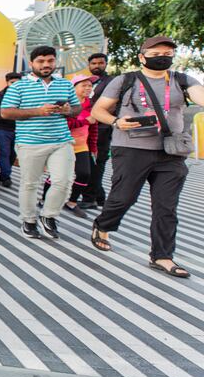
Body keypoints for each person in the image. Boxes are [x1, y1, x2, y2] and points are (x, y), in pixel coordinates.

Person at [91, 36, 204, 278]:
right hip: (131, 149)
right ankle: (103, 225)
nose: (163, 57)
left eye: (168, 53)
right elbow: (98, 111)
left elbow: (200, 96)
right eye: (156, 53)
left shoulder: (181, 80)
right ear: (142, 57)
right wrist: (116, 121)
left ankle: (162, 256)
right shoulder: (125, 81)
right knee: (123, 198)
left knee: (166, 207)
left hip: (170, 152)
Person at [0, 45, 81, 240]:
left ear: (55, 62)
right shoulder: (18, 86)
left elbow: (77, 108)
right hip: (30, 142)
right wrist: (38, 111)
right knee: (30, 183)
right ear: (32, 64)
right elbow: (6, 112)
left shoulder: (65, 84)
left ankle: (49, 216)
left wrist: (68, 110)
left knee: (63, 181)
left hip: (61, 140)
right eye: (41, 61)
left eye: (50, 61)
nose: (46, 65)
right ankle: (28, 220)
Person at [42, 74, 97, 217]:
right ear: (74, 88)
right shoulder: (66, 104)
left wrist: (93, 147)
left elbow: (94, 127)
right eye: (83, 85)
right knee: (56, 175)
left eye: (89, 85)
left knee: (84, 174)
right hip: (63, 143)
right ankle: (44, 199)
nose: (88, 88)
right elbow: (63, 123)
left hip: (82, 146)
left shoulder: (91, 105)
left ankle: (72, 202)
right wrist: (85, 122)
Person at [80, 52, 115, 209]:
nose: (96, 66)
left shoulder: (112, 82)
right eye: (93, 63)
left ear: (106, 64)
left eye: (100, 63)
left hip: (102, 128)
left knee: (96, 163)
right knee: (89, 163)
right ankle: (99, 197)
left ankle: (89, 198)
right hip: (85, 128)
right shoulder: (88, 82)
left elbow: (114, 104)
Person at [0, 71, 22, 187]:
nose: (15, 85)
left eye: (18, 83)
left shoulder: (25, 96)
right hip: (2, 129)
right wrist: (0, 116)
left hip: (19, 129)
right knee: (4, 153)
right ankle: (6, 177)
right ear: (7, 82)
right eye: (12, 82)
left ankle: (4, 174)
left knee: (13, 154)